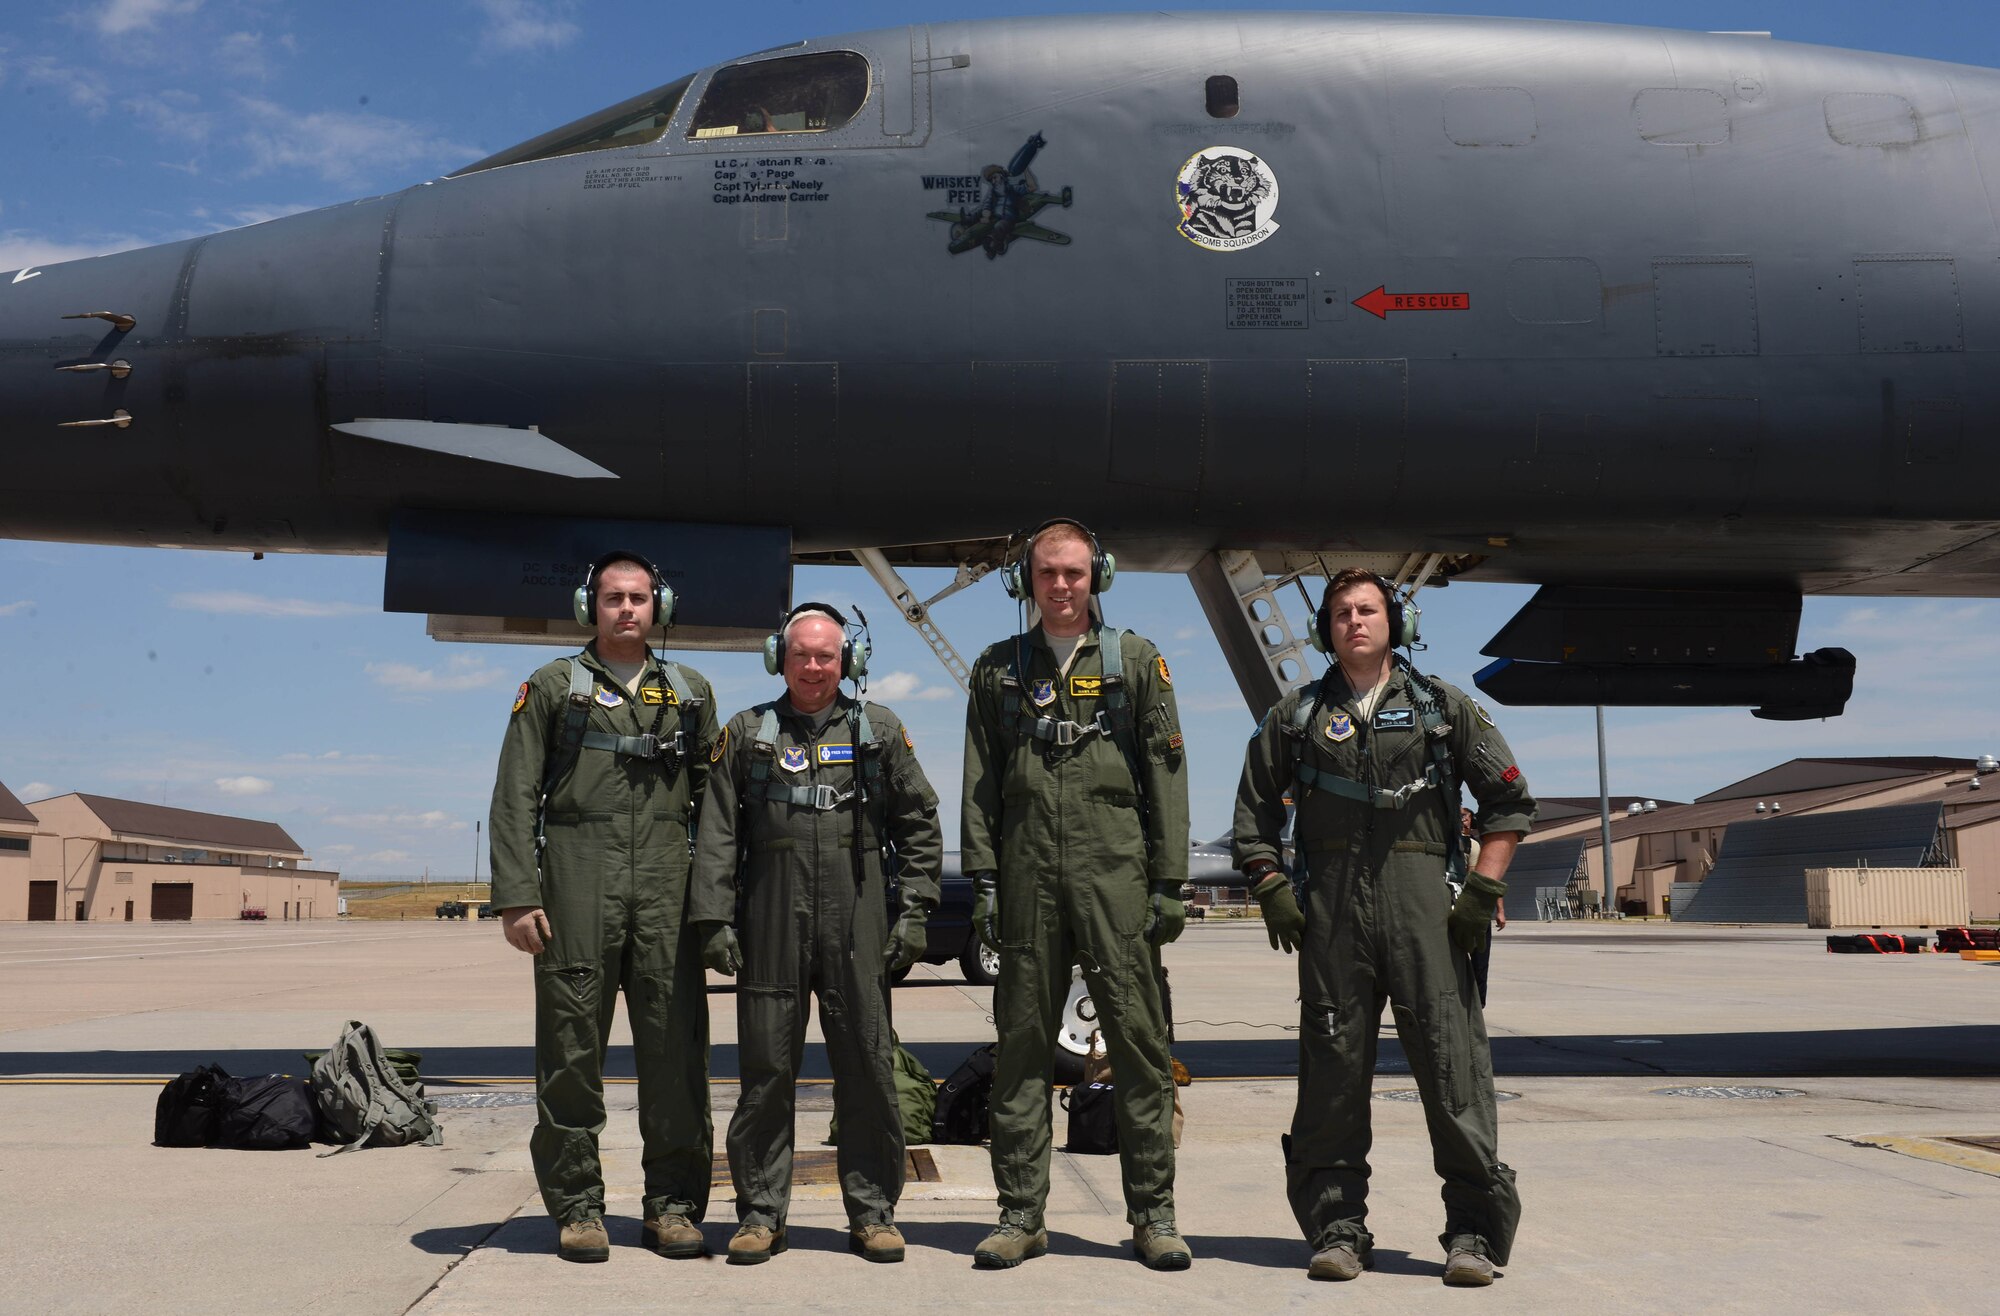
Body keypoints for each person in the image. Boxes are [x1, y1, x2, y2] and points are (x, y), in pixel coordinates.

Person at [1233, 568, 1536, 1287]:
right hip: (1332, 912)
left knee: (1452, 1067)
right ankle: (1337, 1229)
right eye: (1340, 613)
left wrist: (1481, 887)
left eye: (1367, 610)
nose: (1354, 622)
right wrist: (1272, 886)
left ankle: (1474, 1235)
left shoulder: (1442, 708)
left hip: (1426, 904)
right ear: (1324, 629)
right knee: (1332, 1077)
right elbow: (1253, 816)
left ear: (1392, 621)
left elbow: (1510, 801)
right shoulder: (1296, 717)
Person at [961, 518, 1193, 1271]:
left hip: (1115, 872)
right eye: (1047, 573)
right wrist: (987, 881)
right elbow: (979, 784)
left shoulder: (1136, 662)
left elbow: (1166, 775)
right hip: (1029, 873)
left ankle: (1153, 1216)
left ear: (1099, 577)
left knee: (1139, 1048)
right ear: (1024, 580)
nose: (1060, 586)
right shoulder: (997, 669)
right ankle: (1021, 1215)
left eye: (1074, 573)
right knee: (1023, 1049)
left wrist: (1167, 881)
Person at [689, 604, 943, 1266]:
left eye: (825, 655)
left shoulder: (879, 731)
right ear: (781, 656)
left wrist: (915, 910)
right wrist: (714, 919)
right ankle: (761, 1211)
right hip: (771, 915)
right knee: (766, 1069)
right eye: (801, 653)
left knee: (865, 1063)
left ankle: (873, 1211)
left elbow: (919, 822)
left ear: (846, 661)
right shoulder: (747, 734)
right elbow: (716, 832)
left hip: (857, 913)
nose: (812, 665)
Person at [487, 550, 721, 1263]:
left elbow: (716, 810)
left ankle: (673, 1206)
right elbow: (515, 794)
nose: (627, 608)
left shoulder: (690, 692)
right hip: (577, 878)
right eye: (614, 597)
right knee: (569, 1051)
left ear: (661, 607)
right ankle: (579, 1207)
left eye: (639, 597)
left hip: (665, 884)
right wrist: (518, 896)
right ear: (592, 606)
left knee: (676, 1054)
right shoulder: (553, 687)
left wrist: (714, 901)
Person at [1462, 807, 1506, 1005]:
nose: (1461, 820)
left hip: (1475, 907)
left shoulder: (1475, 846)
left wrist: (1500, 910)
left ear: (1472, 821)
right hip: (1449, 906)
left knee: (1480, 960)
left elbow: (1488, 879)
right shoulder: (1445, 844)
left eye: (1464, 817)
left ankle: (1478, 1005)